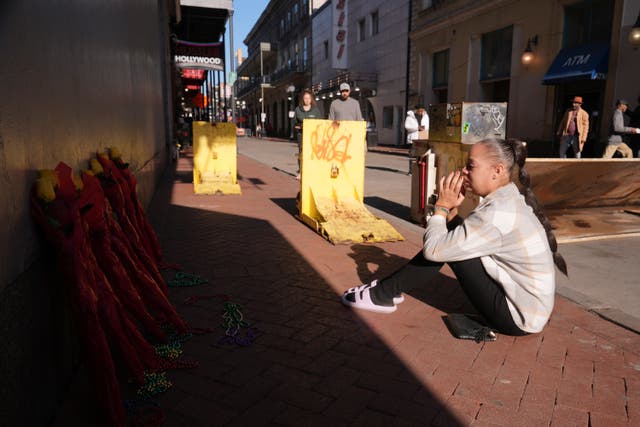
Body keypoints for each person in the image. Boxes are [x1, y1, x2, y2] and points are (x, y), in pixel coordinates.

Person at [342, 138, 568, 336]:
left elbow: (435, 250)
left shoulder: (498, 214)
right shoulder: (507, 199)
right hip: (530, 310)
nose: (464, 171)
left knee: (447, 247)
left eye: (471, 166)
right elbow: (467, 237)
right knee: (452, 241)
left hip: (518, 318)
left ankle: (383, 294)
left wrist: (441, 207)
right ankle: (384, 291)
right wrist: (450, 215)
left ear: (497, 171)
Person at [293, 89, 322, 179]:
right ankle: (301, 172)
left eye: (309, 98)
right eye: (305, 98)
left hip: (313, 136)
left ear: (311, 99)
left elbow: (320, 123)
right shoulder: (298, 110)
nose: (307, 100)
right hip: (301, 136)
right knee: (301, 154)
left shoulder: (315, 110)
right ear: (303, 99)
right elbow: (294, 124)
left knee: (312, 154)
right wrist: (299, 128)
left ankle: (312, 172)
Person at [405, 105, 430, 173]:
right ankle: (411, 170)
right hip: (413, 138)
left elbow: (427, 125)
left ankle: (419, 169)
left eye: (423, 111)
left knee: (420, 154)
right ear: (416, 110)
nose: (421, 112)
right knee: (412, 154)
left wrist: (424, 128)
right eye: (420, 111)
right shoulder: (410, 116)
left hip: (422, 137)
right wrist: (417, 127)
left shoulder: (425, 116)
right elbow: (407, 126)